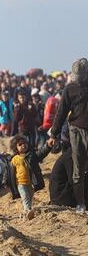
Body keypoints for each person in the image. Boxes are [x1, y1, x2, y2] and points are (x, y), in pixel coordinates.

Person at [48, 58, 88, 213]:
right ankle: (80, 204)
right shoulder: (69, 89)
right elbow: (61, 112)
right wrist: (54, 133)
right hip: (76, 129)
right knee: (77, 168)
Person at [9, 135, 52, 220]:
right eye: (20, 144)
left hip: (31, 182)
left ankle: (29, 210)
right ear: (16, 148)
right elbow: (10, 172)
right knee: (25, 197)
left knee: (30, 196)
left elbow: (41, 153)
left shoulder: (32, 155)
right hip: (20, 183)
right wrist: (5, 181)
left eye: (24, 143)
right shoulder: (14, 159)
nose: (23, 146)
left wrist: (48, 146)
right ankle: (27, 211)